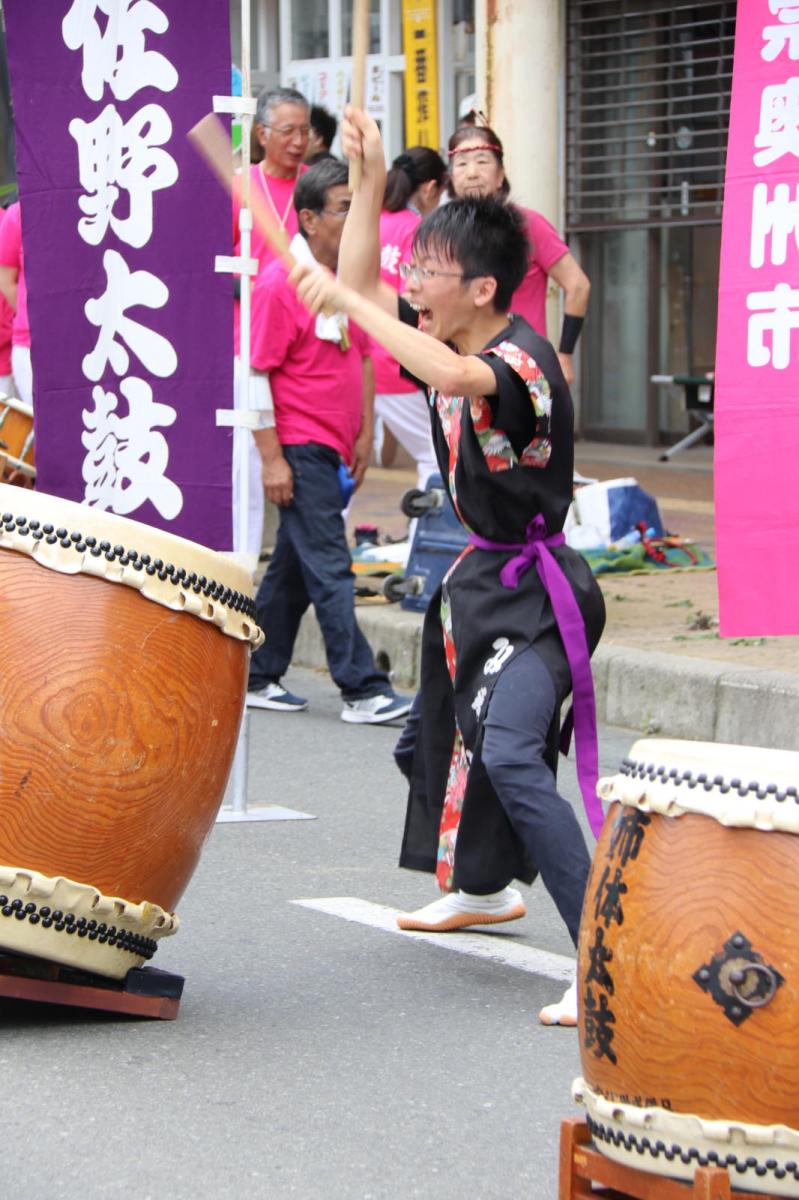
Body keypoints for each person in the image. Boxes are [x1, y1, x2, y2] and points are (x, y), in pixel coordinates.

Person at [290, 109, 606, 1025]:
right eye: (412, 266)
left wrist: (348, 306)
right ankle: (483, 889)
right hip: (476, 586)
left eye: (426, 269)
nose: (410, 278)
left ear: (478, 286)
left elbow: (460, 381)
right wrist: (372, 163)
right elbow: (355, 283)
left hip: (540, 599)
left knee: (506, 753)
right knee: (432, 743)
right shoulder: (452, 335)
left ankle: (601, 950)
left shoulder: (519, 360)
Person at [246, 157, 411, 725]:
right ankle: (361, 688)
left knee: (294, 568)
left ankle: (256, 672)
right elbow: (255, 373)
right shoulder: (277, 283)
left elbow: (364, 358)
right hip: (298, 445)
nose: (355, 218)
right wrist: (272, 458)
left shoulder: (344, 281)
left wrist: (365, 433)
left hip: (335, 445)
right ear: (310, 219)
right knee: (330, 566)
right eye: (345, 208)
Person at [448, 123, 590, 388]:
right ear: (451, 178)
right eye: (461, 164)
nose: (472, 173)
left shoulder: (528, 224)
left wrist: (565, 355)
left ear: (501, 174)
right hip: (463, 370)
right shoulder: (445, 235)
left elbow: (578, 285)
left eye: (482, 161)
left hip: (522, 368)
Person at [232, 86, 311, 561]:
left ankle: (303, 567)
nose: (299, 140)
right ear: (261, 134)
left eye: (305, 130)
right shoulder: (240, 186)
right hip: (250, 342)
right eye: (288, 130)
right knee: (251, 461)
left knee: (314, 459)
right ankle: (241, 572)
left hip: (310, 345)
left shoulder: (319, 184)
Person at [374, 147, 446, 493]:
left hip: (356, 356)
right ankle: (426, 539)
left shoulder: (371, 221)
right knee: (436, 456)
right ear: (431, 188)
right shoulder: (418, 229)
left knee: (342, 463)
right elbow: (412, 300)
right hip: (395, 360)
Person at [0, 201, 33, 405]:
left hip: (19, 350)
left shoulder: (7, 218)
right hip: (22, 347)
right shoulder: (15, 215)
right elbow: (7, 282)